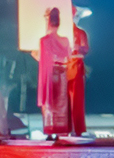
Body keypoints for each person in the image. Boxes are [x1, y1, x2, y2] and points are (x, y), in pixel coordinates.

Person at [33, 8, 72, 137]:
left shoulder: (44, 41)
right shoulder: (65, 40)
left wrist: (35, 55)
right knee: (61, 103)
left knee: (49, 102)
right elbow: (68, 57)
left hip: (50, 74)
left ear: (49, 22)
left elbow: (42, 58)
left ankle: (50, 132)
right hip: (62, 73)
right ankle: (60, 131)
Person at [66, 7, 90, 135]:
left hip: (76, 66)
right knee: (64, 101)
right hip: (65, 67)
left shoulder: (81, 33)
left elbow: (85, 49)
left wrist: (75, 48)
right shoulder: (64, 33)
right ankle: (66, 128)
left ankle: (77, 128)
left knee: (77, 99)